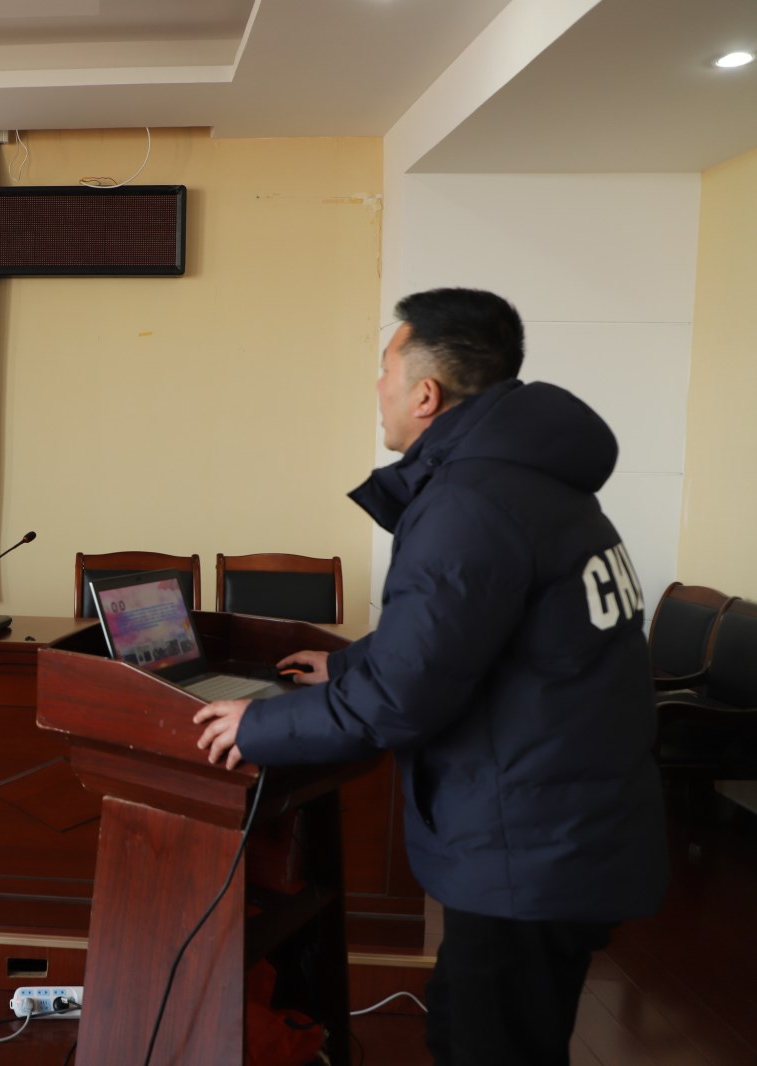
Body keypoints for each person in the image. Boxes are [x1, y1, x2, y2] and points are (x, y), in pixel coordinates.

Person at [194, 288, 668, 1065]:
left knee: (487, 1043)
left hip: (527, 843)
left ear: (424, 393)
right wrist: (346, 664)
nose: (376, 386)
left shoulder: (471, 501)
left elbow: (401, 697)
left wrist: (257, 725)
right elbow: (469, 637)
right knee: (478, 1026)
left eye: (384, 368)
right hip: (560, 827)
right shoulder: (535, 482)